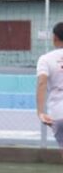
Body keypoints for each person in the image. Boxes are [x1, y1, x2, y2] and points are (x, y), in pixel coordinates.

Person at [36, 22, 63, 160]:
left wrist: (40, 112)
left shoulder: (46, 59)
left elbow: (42, 83)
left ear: (54, 38)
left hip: (58, 113)